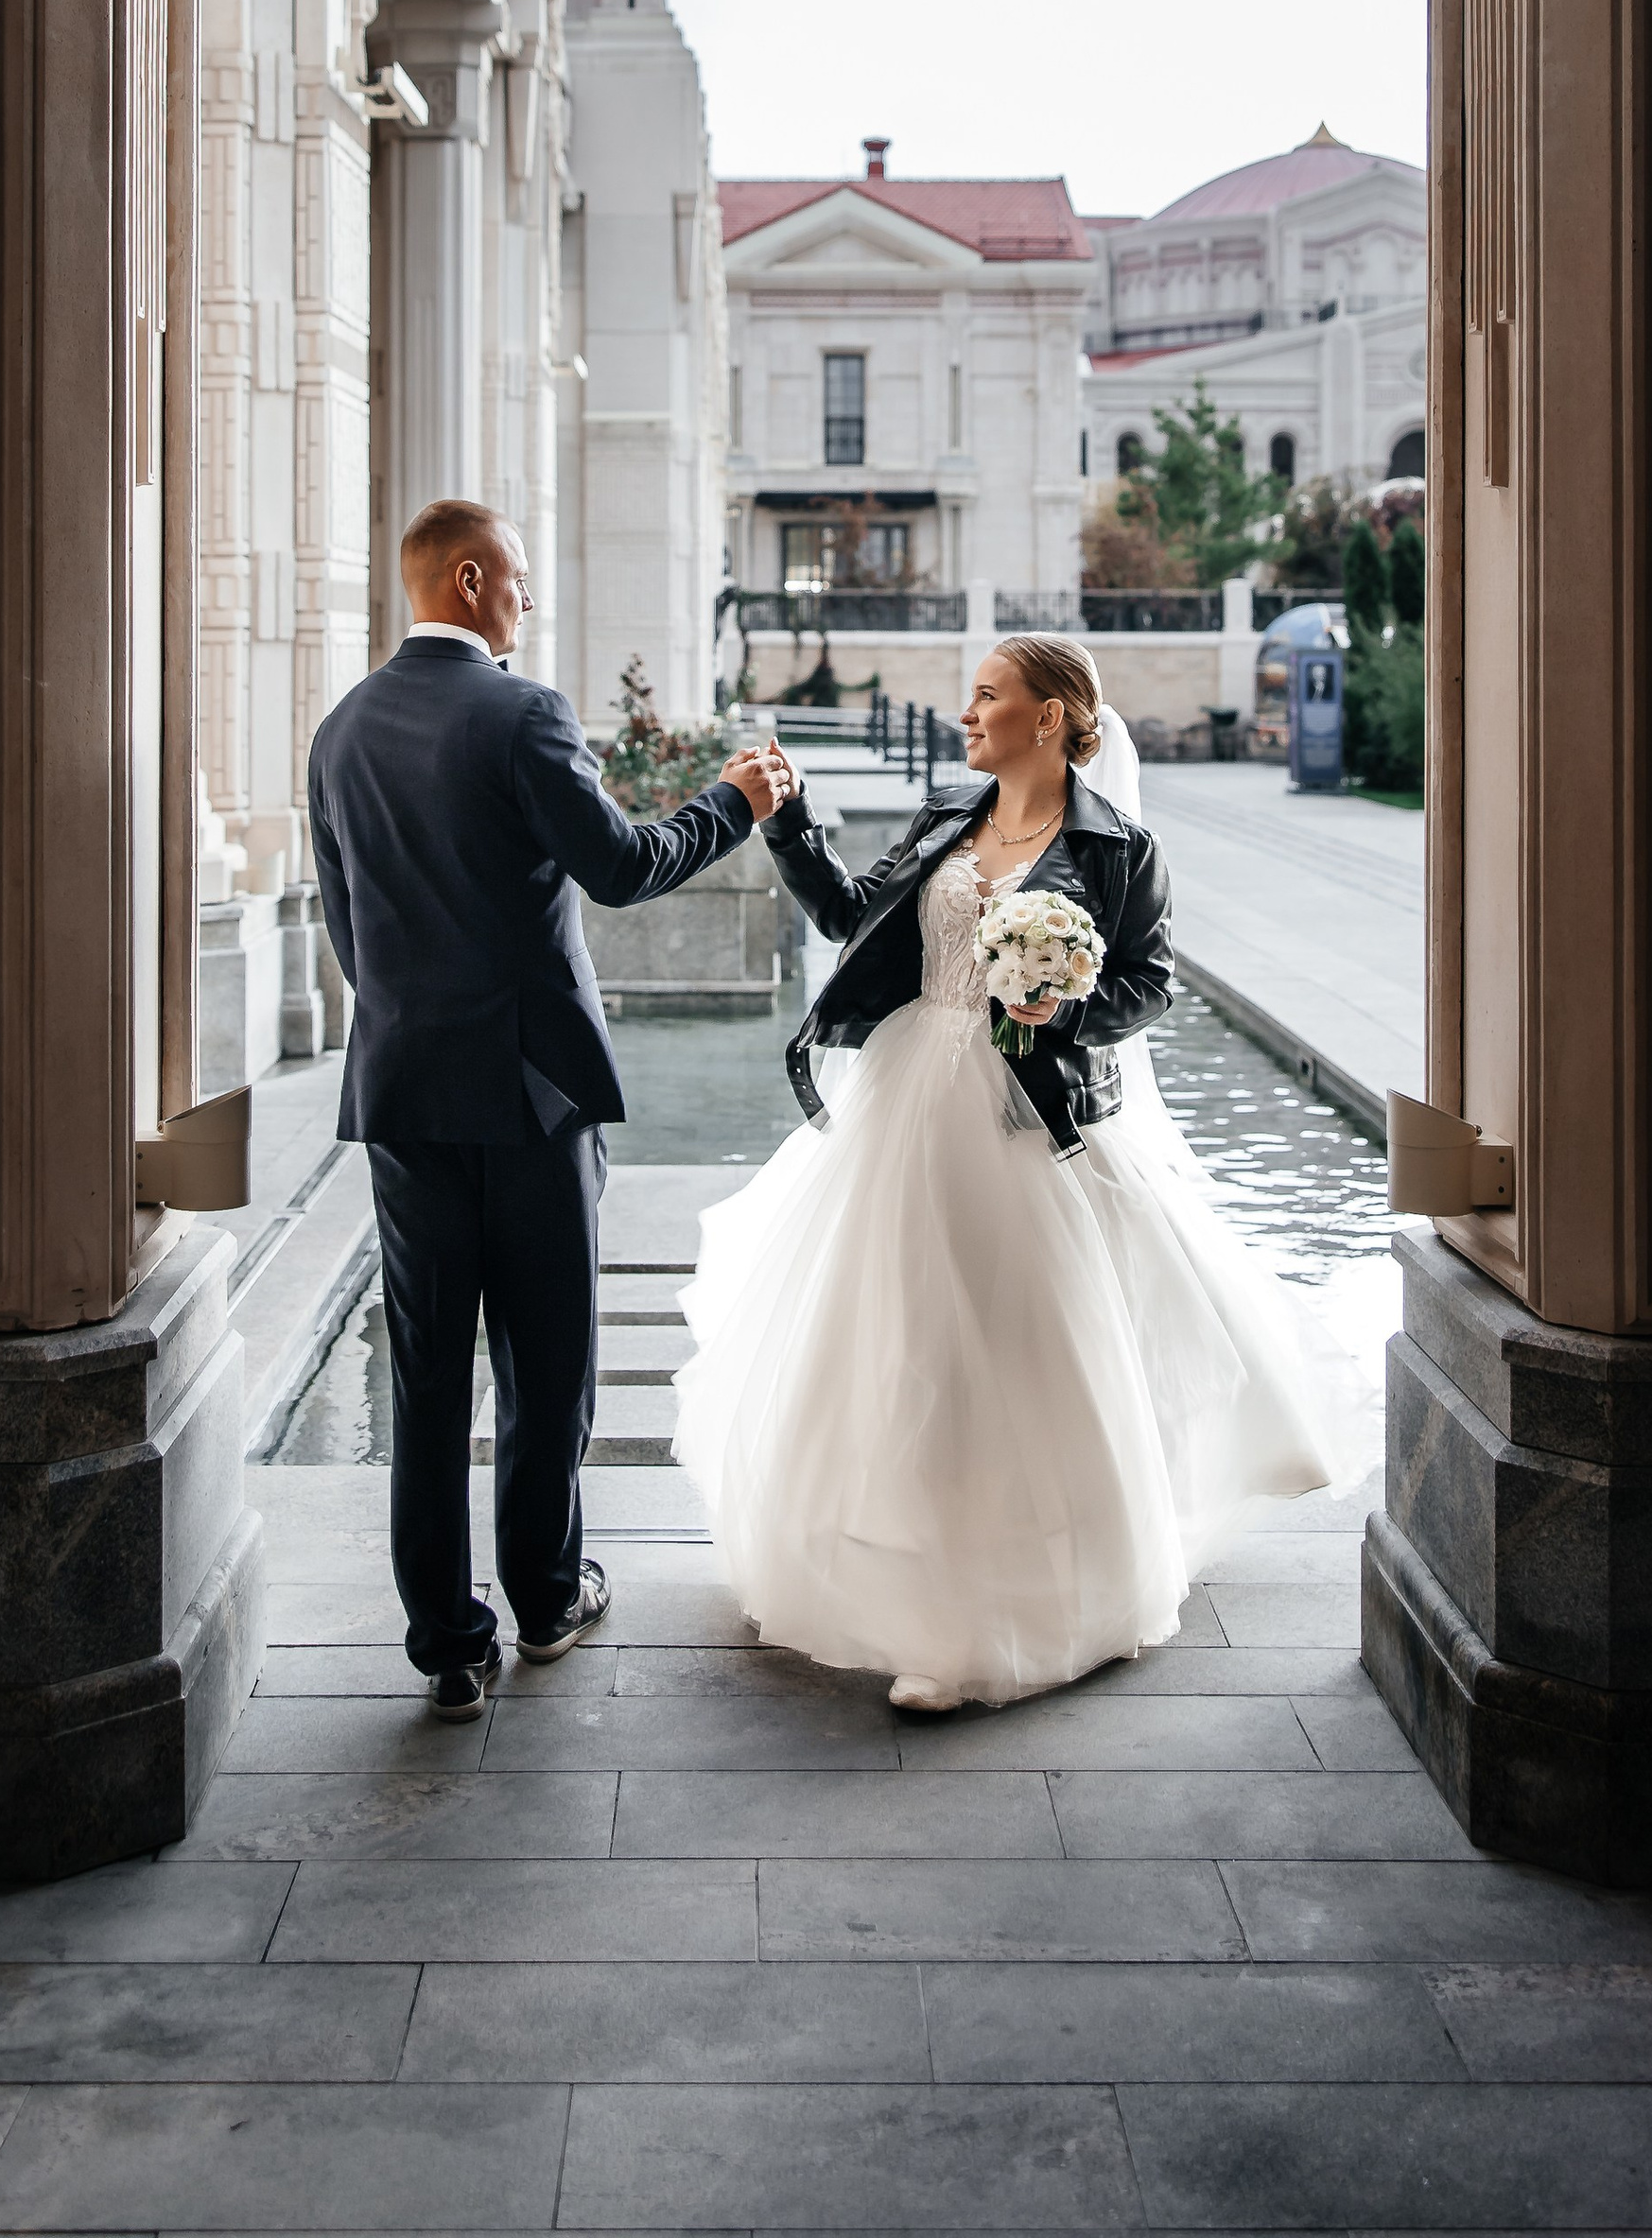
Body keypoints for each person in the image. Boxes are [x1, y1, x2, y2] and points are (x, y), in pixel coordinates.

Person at [673, 633, 1344, 1710]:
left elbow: (1149, 983)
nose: (967, 711)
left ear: (1048, 716)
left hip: (1025, 1110)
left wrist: (1066, 1007)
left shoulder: (1120, 847)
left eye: (988, 695)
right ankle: (891, 1579)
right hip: (909, 1100)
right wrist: (787, 824)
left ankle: (1001, 1610)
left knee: (1011, 1348)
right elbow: (856, 921)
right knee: (900, 1341)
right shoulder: (947, 813)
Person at [308, 500, 789, 1721]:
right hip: (529, 1097)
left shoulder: (339, 729)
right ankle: (543, 1594)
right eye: (516, 579)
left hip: (406, 1093)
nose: (527, 599)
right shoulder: (524, 713)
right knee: (546, 1363)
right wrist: (734, 799)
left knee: (425, 1375)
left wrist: (414, 1028)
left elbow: (346, 925)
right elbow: (625, 867)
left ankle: (445, 1643)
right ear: (469, 579)